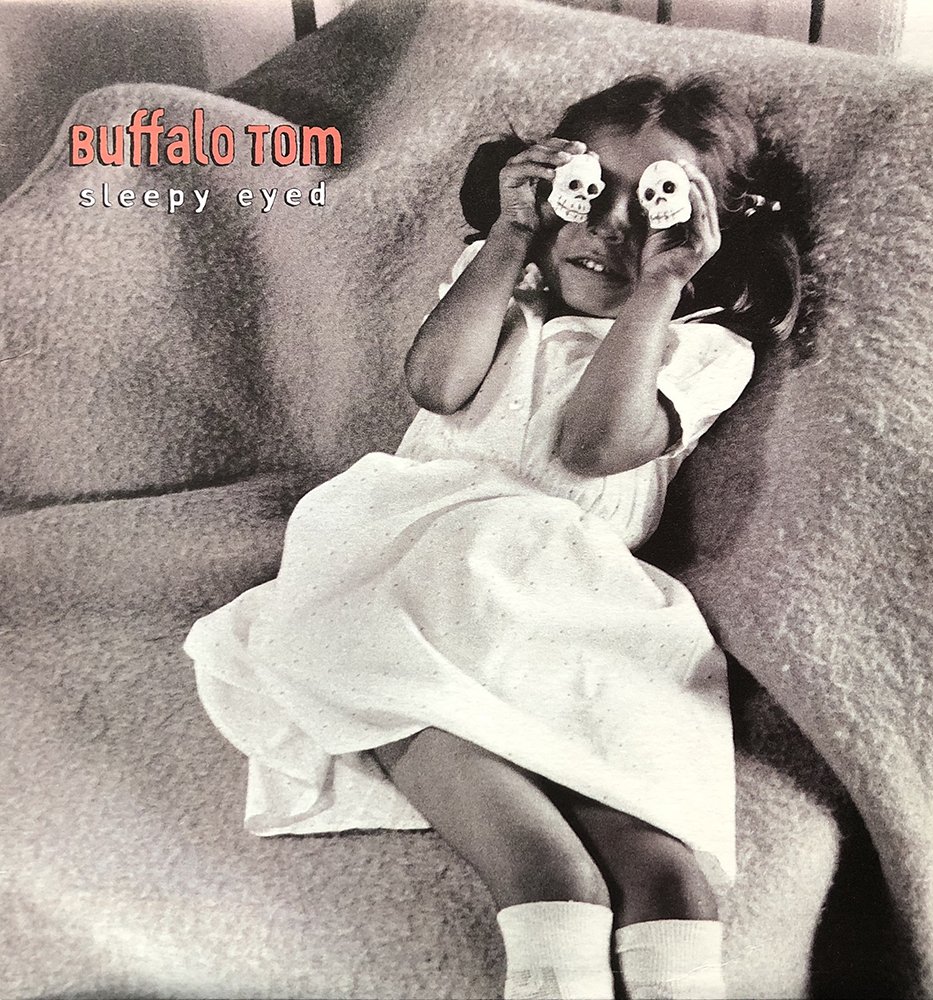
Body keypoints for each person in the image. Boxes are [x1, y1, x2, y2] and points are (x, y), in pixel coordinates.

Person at [185, 74, 805, 1000]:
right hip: (415, 559)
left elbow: (595, 446)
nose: (612, 232)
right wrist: (509, 237)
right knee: (552, 873)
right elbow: (437, 384)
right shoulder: (497, 295)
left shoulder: (699, 346)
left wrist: (662, 290)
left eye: (658, 207)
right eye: (591, 195)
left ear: (703, 232)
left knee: (669, 877)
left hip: (572, 600)